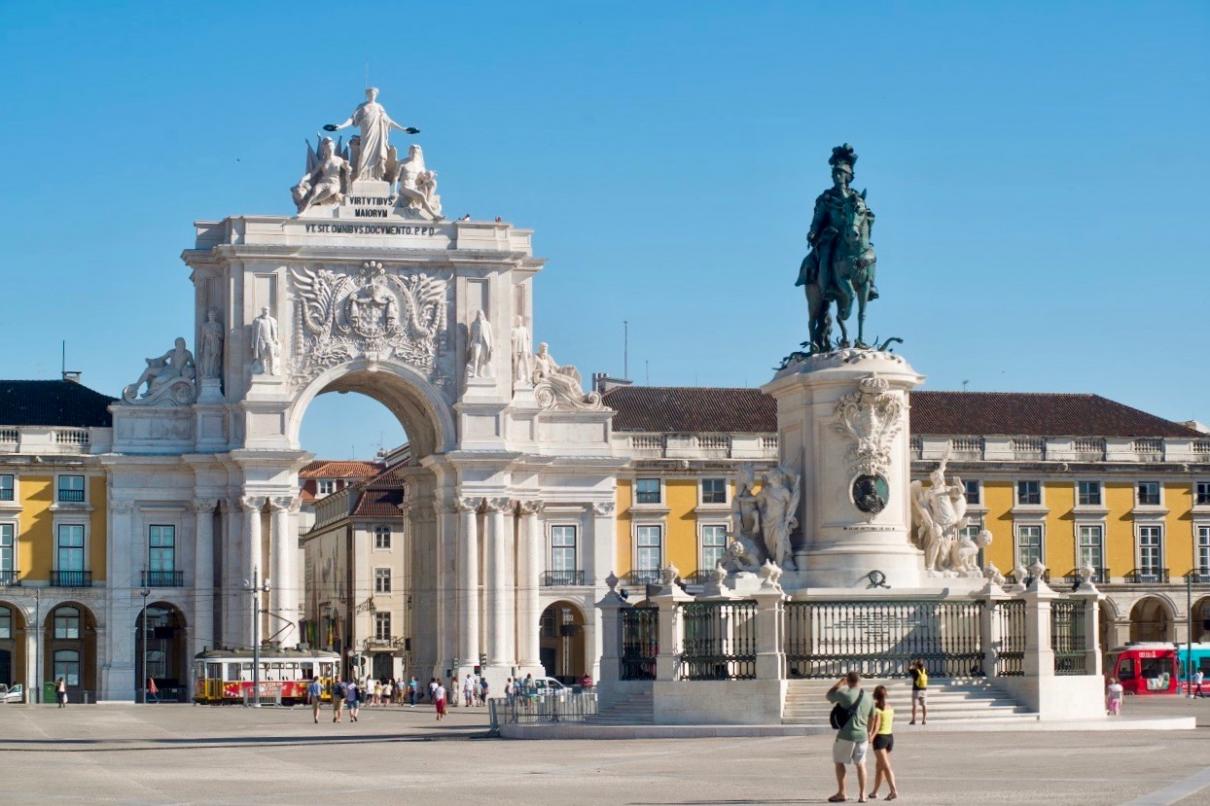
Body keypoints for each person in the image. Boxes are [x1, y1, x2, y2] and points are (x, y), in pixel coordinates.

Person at [826, 671, 875, 803]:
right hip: (862, 735)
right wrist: (870, 732)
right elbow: (872, 717)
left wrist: (840, 683)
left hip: (845, 735)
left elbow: (829, 695)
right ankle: (862, 794)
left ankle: (842, 792)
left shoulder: (844, 694)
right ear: (860, 681)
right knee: (861, 764)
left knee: (839, 762)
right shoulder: (868, 697)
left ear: (848, 681)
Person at [867, 685, 899, 801]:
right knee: (879, 767)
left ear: (875, 696)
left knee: (885, 766)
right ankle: (874, 792)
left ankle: (893, 790)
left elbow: (875, 727)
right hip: (890, 738)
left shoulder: (876, 709)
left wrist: (870, 736)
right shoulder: (890, 708)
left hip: (880, 739)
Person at [908, 660, 928, 725]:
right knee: (924, 705)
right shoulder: (925, 670)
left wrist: (912, 664)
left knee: (915, 706)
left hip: (916, 690)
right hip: (924, 690)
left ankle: (914, 720)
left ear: (917, 665)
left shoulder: (915, 671)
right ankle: (924, 720)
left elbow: (909, 668)